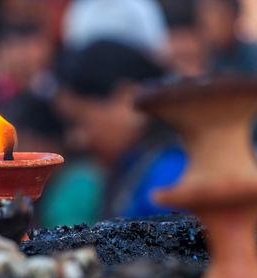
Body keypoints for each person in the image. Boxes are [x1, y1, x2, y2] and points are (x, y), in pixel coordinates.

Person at [55, 41, 186, 218]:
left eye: (80, 122)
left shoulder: (169, 178)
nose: (77, 140)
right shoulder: (130, 170)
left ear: (127, 101)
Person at [198, 0, 257, 74]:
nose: (216, 28)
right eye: (210, 22)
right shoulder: (203, 56)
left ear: (234, 18)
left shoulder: (256, 55)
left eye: (222, 19)